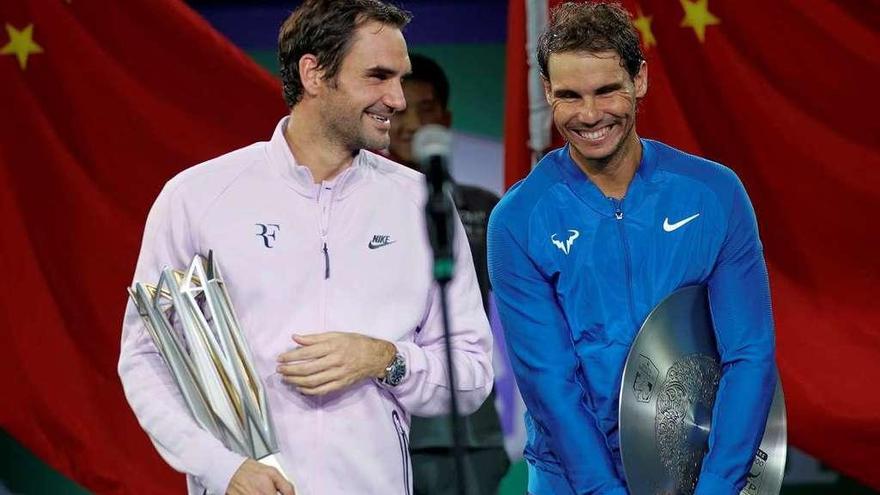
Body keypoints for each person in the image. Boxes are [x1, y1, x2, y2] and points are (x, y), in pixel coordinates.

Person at [118, 1, 494, 494]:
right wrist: (220, 467)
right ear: (314, 73)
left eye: (399, 79)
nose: (398, 100)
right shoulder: (198, 196)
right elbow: (146, 359)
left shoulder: (419, 201)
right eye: (378, 76)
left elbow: (472, 371)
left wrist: (385, 358)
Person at [487, 2, 777, 495]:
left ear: (639, 79)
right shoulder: (518, 220)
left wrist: (718, 486)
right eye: (570, 96)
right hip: (570, 481)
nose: (590, 114)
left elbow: (749, 352)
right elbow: (550, 384)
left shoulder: (714, 194)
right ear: (546, 93)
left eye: (606, 90)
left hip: (700, 473)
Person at [387, 53, 510, 495]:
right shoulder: (360, 208)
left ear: (447, 118)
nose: (411, 124)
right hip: (390, 424)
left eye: (426, 109)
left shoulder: (485, 208)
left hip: (470, 430)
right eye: (400, 110)